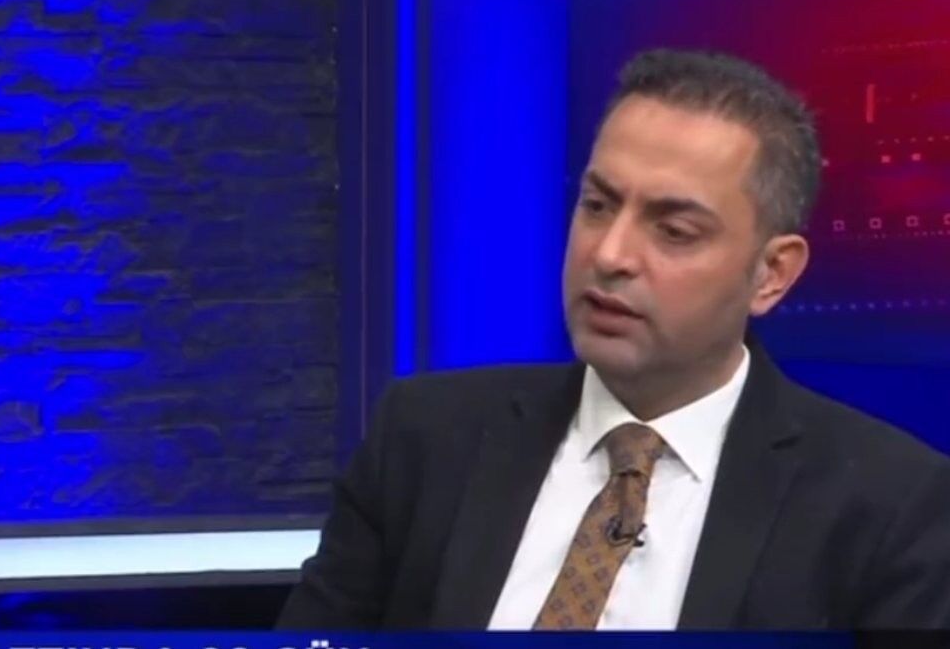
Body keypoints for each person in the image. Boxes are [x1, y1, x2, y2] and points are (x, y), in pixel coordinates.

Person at [275, 47, 950, 631]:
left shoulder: (890, 506)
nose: (610, 254)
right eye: (597, 206)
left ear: (771, 274)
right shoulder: (424, 436)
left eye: (674, 231)